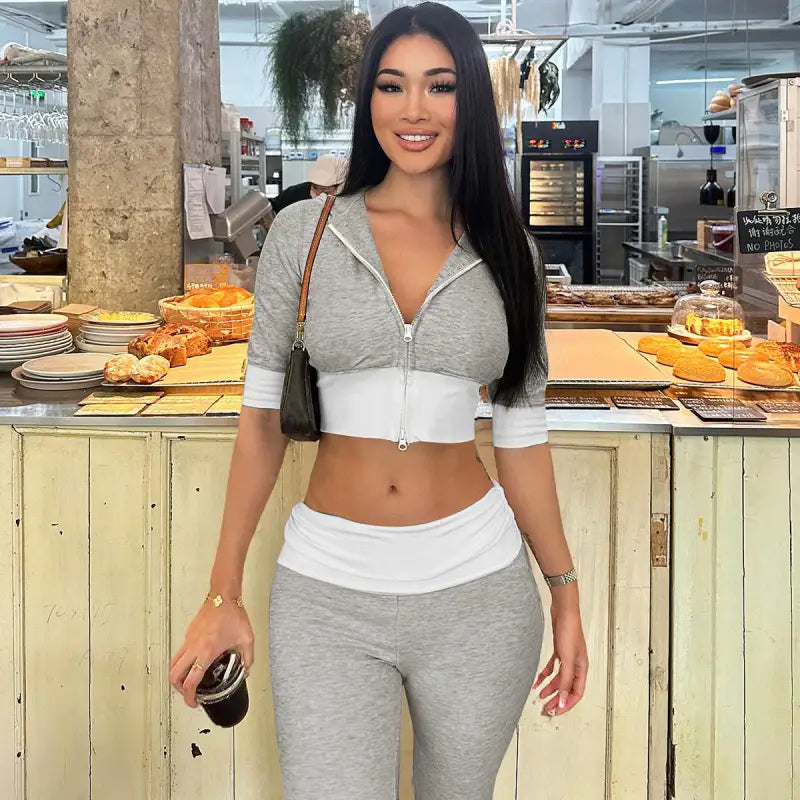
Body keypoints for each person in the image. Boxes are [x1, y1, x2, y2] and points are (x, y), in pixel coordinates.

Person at [170, 4, 588, 798]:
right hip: (327, 595)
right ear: (368, 103)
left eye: (439, 86)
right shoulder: (308, 232)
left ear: (471, 98)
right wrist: (222, 593)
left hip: (480, 593)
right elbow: (262, 424)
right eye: (391, 86)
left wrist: (564, 592)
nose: (414, 110)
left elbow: (522, 441)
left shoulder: (509, 252)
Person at [269, 153, 348, 213]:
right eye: (315, 187)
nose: (318, 193)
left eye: (324, 190)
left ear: (340, 187)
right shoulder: (296, 193)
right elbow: (271, 206)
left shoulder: (348, 200)